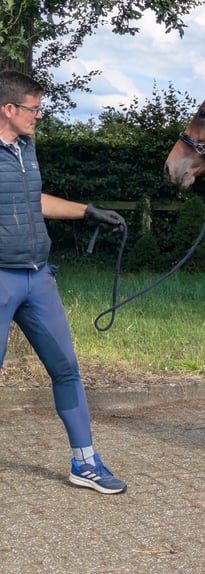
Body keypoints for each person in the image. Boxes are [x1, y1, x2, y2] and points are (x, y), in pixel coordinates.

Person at [0, 70, 127, 494]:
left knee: (67, 369)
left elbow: (32, 200)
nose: (39, 116)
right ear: (9, 108)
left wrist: (88, 211)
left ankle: (85, 462)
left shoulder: (25, 149)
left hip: (38, 278)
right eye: (34, 109)